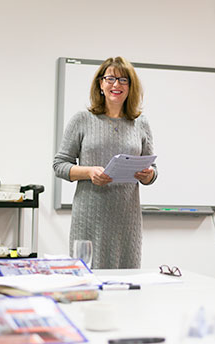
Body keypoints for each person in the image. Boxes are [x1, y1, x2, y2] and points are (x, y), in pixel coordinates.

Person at [53, 56, 157, 269]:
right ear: (100, 84)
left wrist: (150, 175)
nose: (116, 85)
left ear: (131, 87)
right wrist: (89, 172)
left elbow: (152, 168)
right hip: (89, 218)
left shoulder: (141, 123)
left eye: (123, 80)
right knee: (88, 279)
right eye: (110, 79)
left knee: (126, 285)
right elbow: (60, 165)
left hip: (126, 221)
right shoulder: (82, 120)